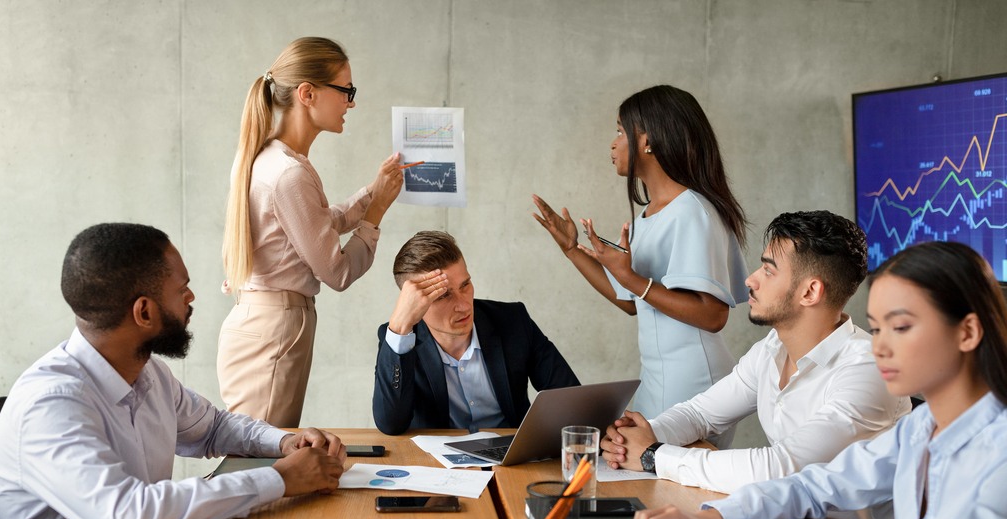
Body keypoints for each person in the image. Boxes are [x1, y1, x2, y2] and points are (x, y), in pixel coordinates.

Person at [0, 224, 347, 519]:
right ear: (144, 311)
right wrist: (280, 478)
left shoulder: (145, 372)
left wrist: (282, 442)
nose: (192, 297)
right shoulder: (50, 405)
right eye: (182, 289)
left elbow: (213, 426)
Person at [612, 241, 1007, 519]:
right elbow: (815, 485)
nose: (881, 347)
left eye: (901, 327)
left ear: (968, 332)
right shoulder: (923, 427)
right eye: (876, 329)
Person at [601, 211, 911, 519]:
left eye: (768, 269)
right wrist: (641, 436)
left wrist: (653, 455)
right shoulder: (772, 349)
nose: (750, 280)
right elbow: (701, 413)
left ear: (810, 291)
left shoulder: (868, 369)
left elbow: (778, 467)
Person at [532, 85, 748, 432]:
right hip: (656, 379)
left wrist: (634, 280)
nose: (613, 143)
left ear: (648, 140)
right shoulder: (648, 216)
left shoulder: (692, 212)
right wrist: (571, 249)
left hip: (693, 383)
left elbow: (713, 314)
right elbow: (631, 301)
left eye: (620, 131)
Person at [217, 36, 404, 427]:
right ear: (307, 93)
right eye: (345, 91)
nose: (350, 102)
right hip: (274, 332)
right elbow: (336, 272)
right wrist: (377, 212)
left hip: (264, 326)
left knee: (260, 460)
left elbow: (313, 226)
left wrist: (373, 191)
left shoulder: (265, 158)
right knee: (264, 464)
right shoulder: (289, 173)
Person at [372, 230, 580, 435]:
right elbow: (391, 424)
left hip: (511, 458)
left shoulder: (513, 320)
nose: (463, 305)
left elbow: (569, 399)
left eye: (465, 285)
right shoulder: (400, 340)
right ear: (414, 302)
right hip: (439, 463)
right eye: (443, 296)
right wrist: (399, 329)